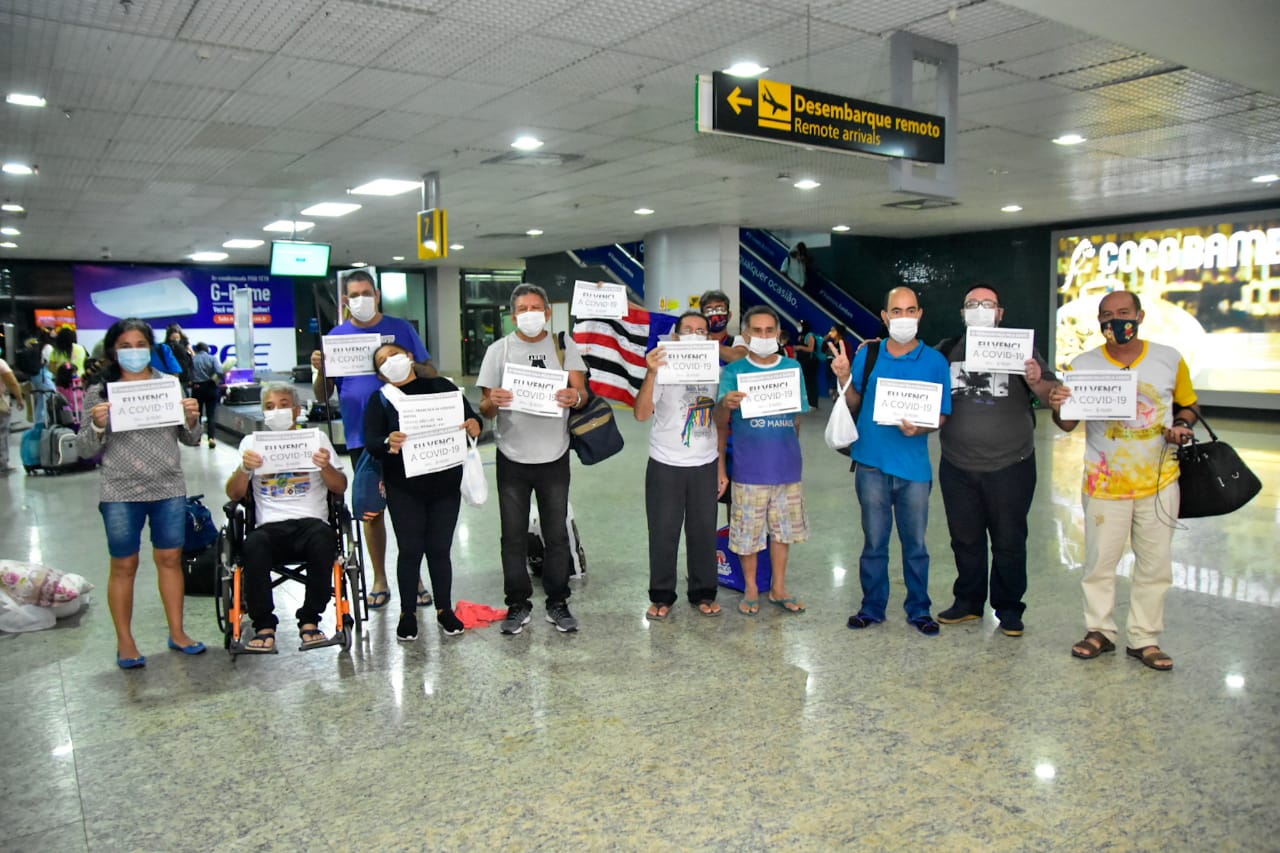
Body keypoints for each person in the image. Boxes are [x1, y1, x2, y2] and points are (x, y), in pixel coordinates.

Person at [1048, 290, 1197, 672]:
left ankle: (1144, 638)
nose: (1116, 320)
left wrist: (1182, 425)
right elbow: (1067, 422)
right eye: (1107, 315)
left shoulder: (1168, 358)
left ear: (1140, 316)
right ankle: (1099, 631)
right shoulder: (1083, 363)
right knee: (1099, 562)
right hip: (1104, 482)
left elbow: (1188, 405)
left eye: (1123, 313)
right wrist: (1058, 405)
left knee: (1155, 564)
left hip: (1160, 481)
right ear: (1099, 323)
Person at [76, 318, 206, 669]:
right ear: (113, 350)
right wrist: (97, 425)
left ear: (151, 347)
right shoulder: (99, 393)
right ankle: (125, 641)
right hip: (120, 489)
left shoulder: (169, 385)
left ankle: (178, 632)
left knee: (170, 559)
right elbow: (84, 449)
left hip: (168, 485)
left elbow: (190, 439)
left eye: (140, 345)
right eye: (125, 346)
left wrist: (193, 419)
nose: (134, 353)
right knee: (124, 564)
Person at [933, 285, 1061, 636]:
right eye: (971, 304)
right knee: (965, 538)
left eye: (987, 304)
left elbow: (1052, 395)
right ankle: (969, 602)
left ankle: (1009, 608)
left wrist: (1036, 381)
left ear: (1000, 313)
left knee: (1009, 540)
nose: (979, 309)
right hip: (957, 465)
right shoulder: (945, 351)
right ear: (963, 314)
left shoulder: (1022, 351)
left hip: (1011, 465)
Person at [310, 269, 436, 611]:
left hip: (406, 432)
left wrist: (406, 362)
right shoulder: (336, 337)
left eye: (367, 292)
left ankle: (416, 577)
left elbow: (430, 373)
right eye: (354, 295)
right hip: (361, 437)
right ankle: (379, 577)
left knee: (409, 508)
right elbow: (323, 394)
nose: (361, 299)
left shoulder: (401, 329)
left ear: (377, 295)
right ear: (345, 301)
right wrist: (322, 369)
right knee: (370, 509)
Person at [834, 286, 952, 635]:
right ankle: (872, 607)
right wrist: (843, 378)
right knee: (874, 543)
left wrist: (924, 428)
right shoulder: (868, 355)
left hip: (914, 469)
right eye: (896, 311)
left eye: (910, 310)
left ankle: (919, 608)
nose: (903, 317)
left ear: (920, 315)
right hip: (871, 464)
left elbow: (943, 414)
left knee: (916, 545)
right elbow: (854, 403)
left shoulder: (935, 361)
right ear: (885, 317)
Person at [477, 283, 590, 634]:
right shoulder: (498, 351)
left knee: (555, 534)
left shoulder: (562, 345)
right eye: (523, 308)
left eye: (536, 307)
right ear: (513, 316)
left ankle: (558, 601)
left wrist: (575, 397)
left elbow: (582, 393)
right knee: (512, 535)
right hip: (512, 456)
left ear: (548, 312)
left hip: (554, 455)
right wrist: (494, 400)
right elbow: (485, 409)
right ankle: (517, 603)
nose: (530, 313)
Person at [364, 343, 482, 641]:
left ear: (410, 357)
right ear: (379, 374)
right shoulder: (381, 400)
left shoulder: (441, 386)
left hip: (445, 485)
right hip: (404, 487)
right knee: (411, 549)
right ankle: (407, 613)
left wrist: (474, 424)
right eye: (383, 360)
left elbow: (472, 418)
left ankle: (444, 609)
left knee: (440, 549)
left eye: (394, 354)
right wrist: (387, 441)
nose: (391, 361)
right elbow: (372, 442)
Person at [224, 383, 347, 653]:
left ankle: (310, 620)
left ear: (296, 410)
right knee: (253, 545)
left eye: (282, 404)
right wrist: (245, 469)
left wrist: (325, 466)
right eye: (269, 407)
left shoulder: (316, 439)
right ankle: (264, 624)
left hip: (311, 523)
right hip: (269, 526)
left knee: (324, 539)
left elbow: (339, 487)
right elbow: (233, 493)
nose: (276, 411)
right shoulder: (251, 444)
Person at [715, 304, 810, 615]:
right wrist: (726, 404)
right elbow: (719, 419)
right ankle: (752, 588)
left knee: (783, 532)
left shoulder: (792, 369)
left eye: (770, 331)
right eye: (757, 331)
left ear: (778, 335)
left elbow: (797, 417)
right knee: (748, 535)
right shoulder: (734, 372)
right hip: (748, 469)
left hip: (786, 467)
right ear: (746, 335)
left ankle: (779, 587)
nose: (764, 336)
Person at [635, 311, 726, 619]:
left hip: (705, 462)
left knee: (703, 532)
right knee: (663, 531)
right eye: (688, 329)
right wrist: (650, 374)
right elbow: (641, 414)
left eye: (701, 330)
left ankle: (703, 592)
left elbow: (722, 421)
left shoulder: (717, 371)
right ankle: (661, 595)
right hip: (665, 462)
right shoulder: (661, 369)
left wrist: (722, 467)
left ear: (709, 338)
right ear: (675, 337)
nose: (694, 334)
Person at [189, 342, 224, 448]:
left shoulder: (193, 359)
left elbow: (188, 374)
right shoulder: (212, 358)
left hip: (197, 388)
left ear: (197, 350)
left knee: (197, 415)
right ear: (207, 349)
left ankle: (197, 439)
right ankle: (211, 439)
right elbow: (219, 371)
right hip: (211, 387)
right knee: (211, 415)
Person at [699, 289, 748, 364]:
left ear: (729, 315)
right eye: (709, 310)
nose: (714, 314)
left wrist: (710, 344)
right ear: (702, 317)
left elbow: (738, 357)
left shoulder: (739, 340)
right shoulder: (696, 341)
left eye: (720, 309)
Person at [0, 356, 24, 474]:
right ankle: (2, 463)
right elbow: (12, 383)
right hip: (0, 403)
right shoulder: (1, 364)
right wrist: (19, 398)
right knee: (2, 432)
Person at [793, 319, 820, 410]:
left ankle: (813, 403)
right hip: (803, 362)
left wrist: (800, 347)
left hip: (810, 363)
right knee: (805, 381)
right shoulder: (801, 336)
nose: (798, 328)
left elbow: (811, 349)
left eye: (800, 326)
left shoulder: (810, 336)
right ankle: (806, 401)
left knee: (811, 382)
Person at [164, 324, 195, 393]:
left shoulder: (184, 342)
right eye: (173, 338)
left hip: (183, 370)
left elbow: (192, 353)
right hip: (172, 371)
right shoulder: (166, 345)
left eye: (177, 338)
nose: (175, 340)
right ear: (169, 337)